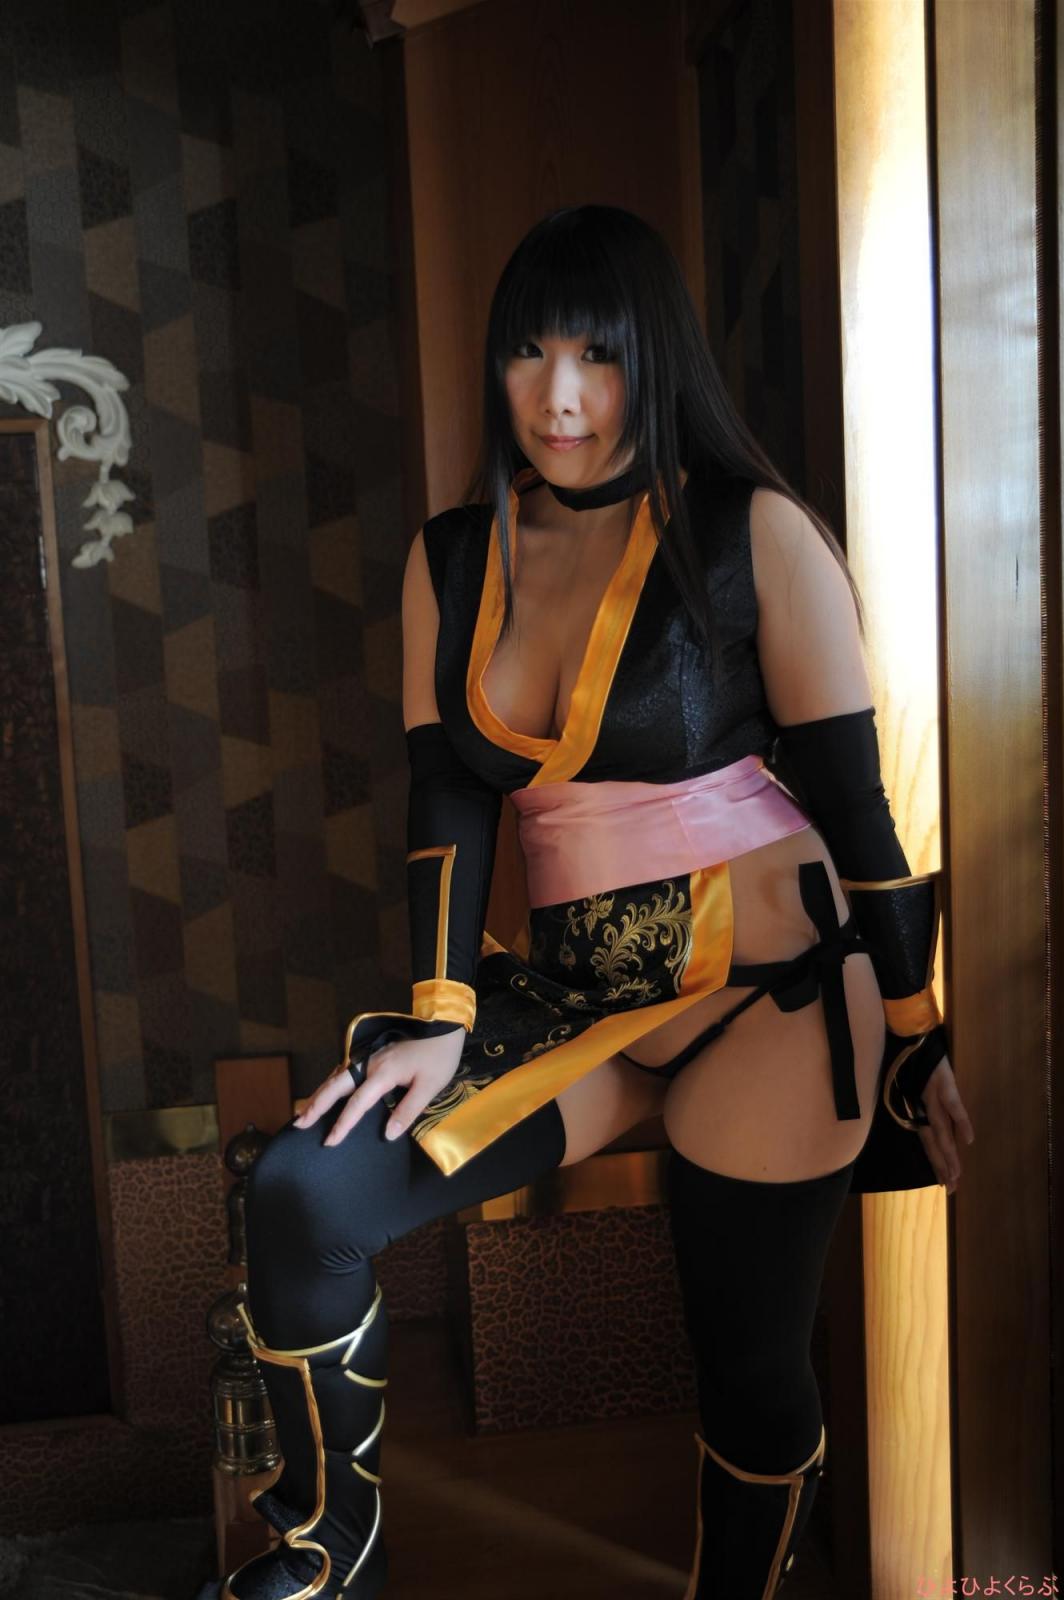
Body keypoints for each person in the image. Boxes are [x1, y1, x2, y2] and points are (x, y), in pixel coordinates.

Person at [218, 205, 974, 1600]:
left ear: (655, 360)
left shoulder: (754, 533)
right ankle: (322, 1559)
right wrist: (439, 1013)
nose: (559, 396)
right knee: (304, 1190)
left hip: (774, 996)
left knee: (748, 1371)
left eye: (598, 355)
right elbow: (450, 799)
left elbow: (859, 809)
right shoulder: (454, 556)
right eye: (530, 352)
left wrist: (920, 1031)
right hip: (575, 993)